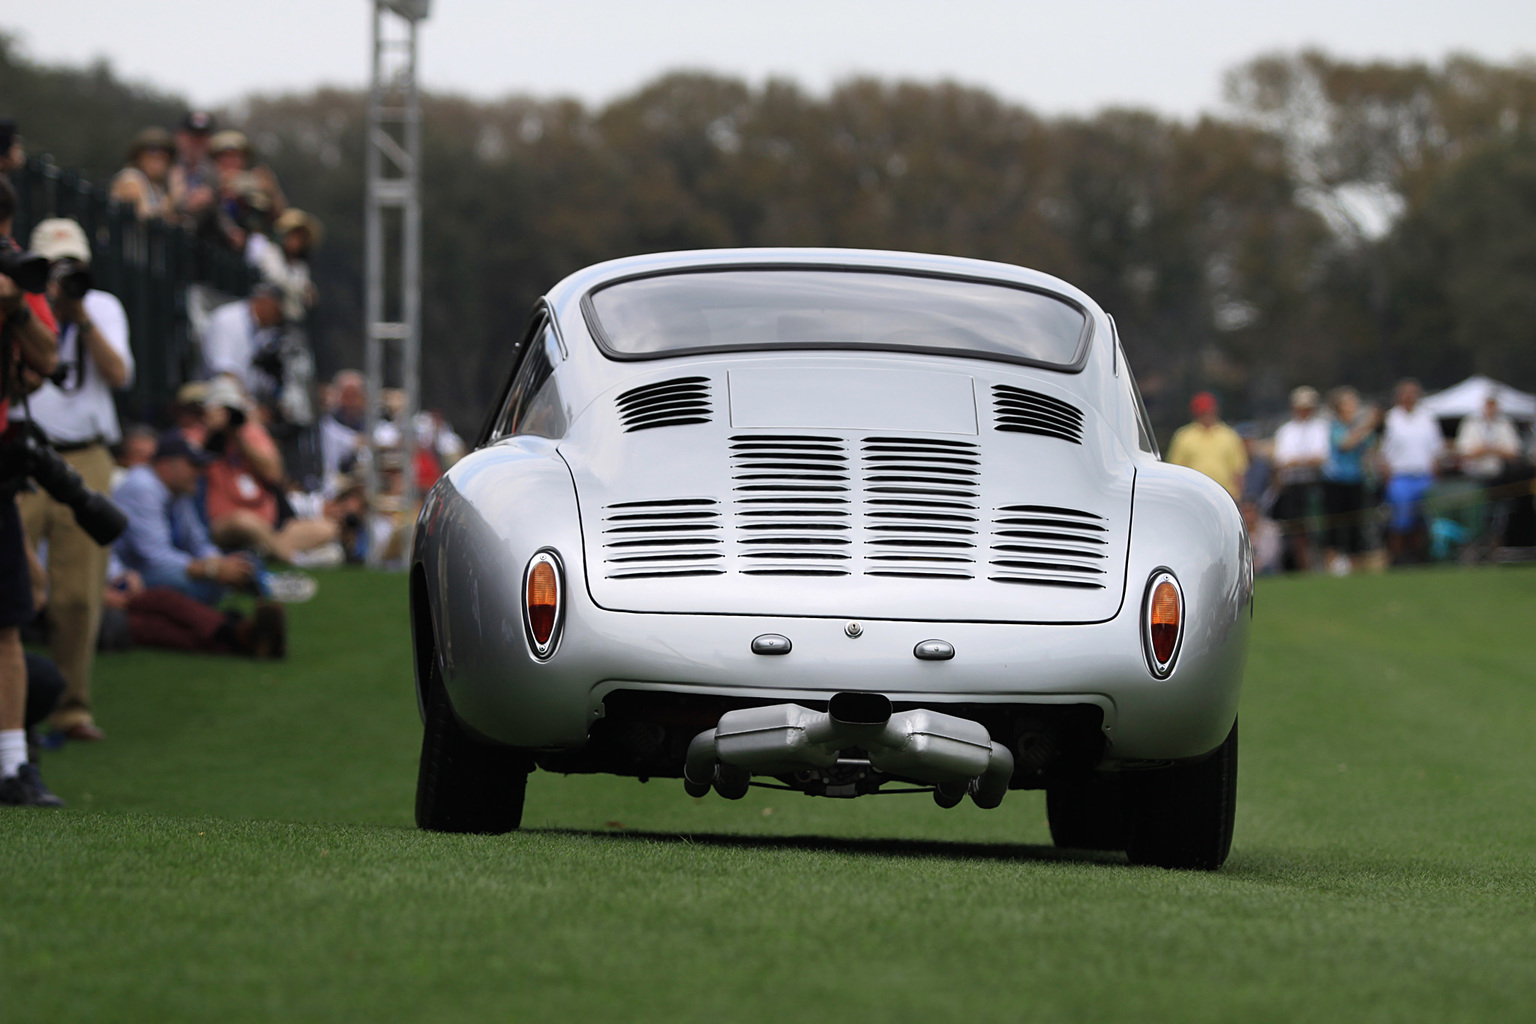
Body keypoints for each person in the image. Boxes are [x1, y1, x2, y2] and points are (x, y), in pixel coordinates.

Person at [15, 218, 133, 741]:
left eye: (75, 266)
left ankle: (71, 708)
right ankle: (14, 708)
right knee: (12, 584)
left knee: (80, 593)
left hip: (85, 455)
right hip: (23, 450)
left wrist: (79, 316)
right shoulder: (17, 304)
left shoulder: (102, 306)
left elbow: (119, 374)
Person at [0, 175, 63, 806]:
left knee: (10, 619)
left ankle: (14, 765)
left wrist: (15, 307)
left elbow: (46, 360)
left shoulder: (16, 278)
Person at [201, 375, 338, 563]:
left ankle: (265, 551)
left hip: (270, 523)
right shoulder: (202, 434)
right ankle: (292, 558)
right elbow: (197, 460)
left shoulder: (250, 433)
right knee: (246, 522)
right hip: (226, 523)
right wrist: (212, 430)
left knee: (327, 528)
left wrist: (239, 437)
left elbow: (274, 474)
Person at [111, 433, 257, 605]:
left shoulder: (179, 489)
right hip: (128, 573)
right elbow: (156, 558)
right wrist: (212, 570)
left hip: (161, 565)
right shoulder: (142, 487)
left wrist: (221, 563)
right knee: (192, 583)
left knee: (247, 562)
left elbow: (198, 541)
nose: (199, 472)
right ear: (166, 465)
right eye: (193, 465)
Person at [1380, 379, 1444, 564]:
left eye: (1412, 393)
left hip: (1424, 476)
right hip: (1400, 477)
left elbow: (1436, 450)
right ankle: (1398, 558)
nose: (1409, 397)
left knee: (1424, 521)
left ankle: (1422, 557)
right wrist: (1387, 477)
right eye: (1405, 394)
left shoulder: (1427, 418)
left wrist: (1436, 473)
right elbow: (1383, 452)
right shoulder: (1391, 419)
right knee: (1400, 521)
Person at [1321, 387, 1380, 576]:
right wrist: (1366, 426)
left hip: (1356, 480)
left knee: (1356, 526)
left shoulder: (1358, 428)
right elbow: (1345, 444)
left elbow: (1370, 447)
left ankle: (1355, 567)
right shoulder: (1335, 427)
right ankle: (1331, 565)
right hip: (1336, 480)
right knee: (1334, 525)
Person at [1271, 386, 1330, 572]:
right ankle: (1302, 566)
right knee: (1295, 530)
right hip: (1292, 485)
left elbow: (1320, 458)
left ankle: (1318, 564)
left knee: (1315, 527)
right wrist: (1303, 460)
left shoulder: (1320, 428)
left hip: (1312, 484)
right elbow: (1281, 461)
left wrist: (1295, 461)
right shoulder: (1286, 430)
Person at [1455, 392, 1524, 549]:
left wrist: (1489, 449)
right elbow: (1465, 453)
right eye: (1488, 404)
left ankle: (1495, 546)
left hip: (1499, 477)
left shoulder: (1504, 423)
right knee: (1477, 514)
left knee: (1499, 514)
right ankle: (1475, 545)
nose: (1490, 408)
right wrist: (1488, 450)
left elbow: (1513, 452)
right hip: (1475, 478)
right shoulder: (1471, 423)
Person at [200, 284, 284, 404]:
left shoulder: (264, 331)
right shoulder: (227, 319)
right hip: (218, 402)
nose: (280, 319)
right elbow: (225, 373)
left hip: (243, 402)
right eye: (280, 312)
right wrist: (250, 406)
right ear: (268, 303)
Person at [1165, 391, 1247, 501]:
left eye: (1209, 411)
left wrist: (1238, 498)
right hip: (1193, 497)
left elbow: (1238, 471)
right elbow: (1175, 471)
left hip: (1225, 497)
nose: (1207, 416)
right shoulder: (1184, 437)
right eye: (1203, 413)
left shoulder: (1229, 436)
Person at [108, 128, 175, 221]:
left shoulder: (157, 186)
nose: (157, 163)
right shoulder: (131, 179)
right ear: (138, 157)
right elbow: (139, 218)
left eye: (163, 157)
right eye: (152, 156)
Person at [168, 111, 218, 226]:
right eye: (192, 137)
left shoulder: (212, 172)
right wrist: (186, 206)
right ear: (179, 137)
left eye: (202, 137)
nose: (197, 142)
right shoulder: (166, 166)